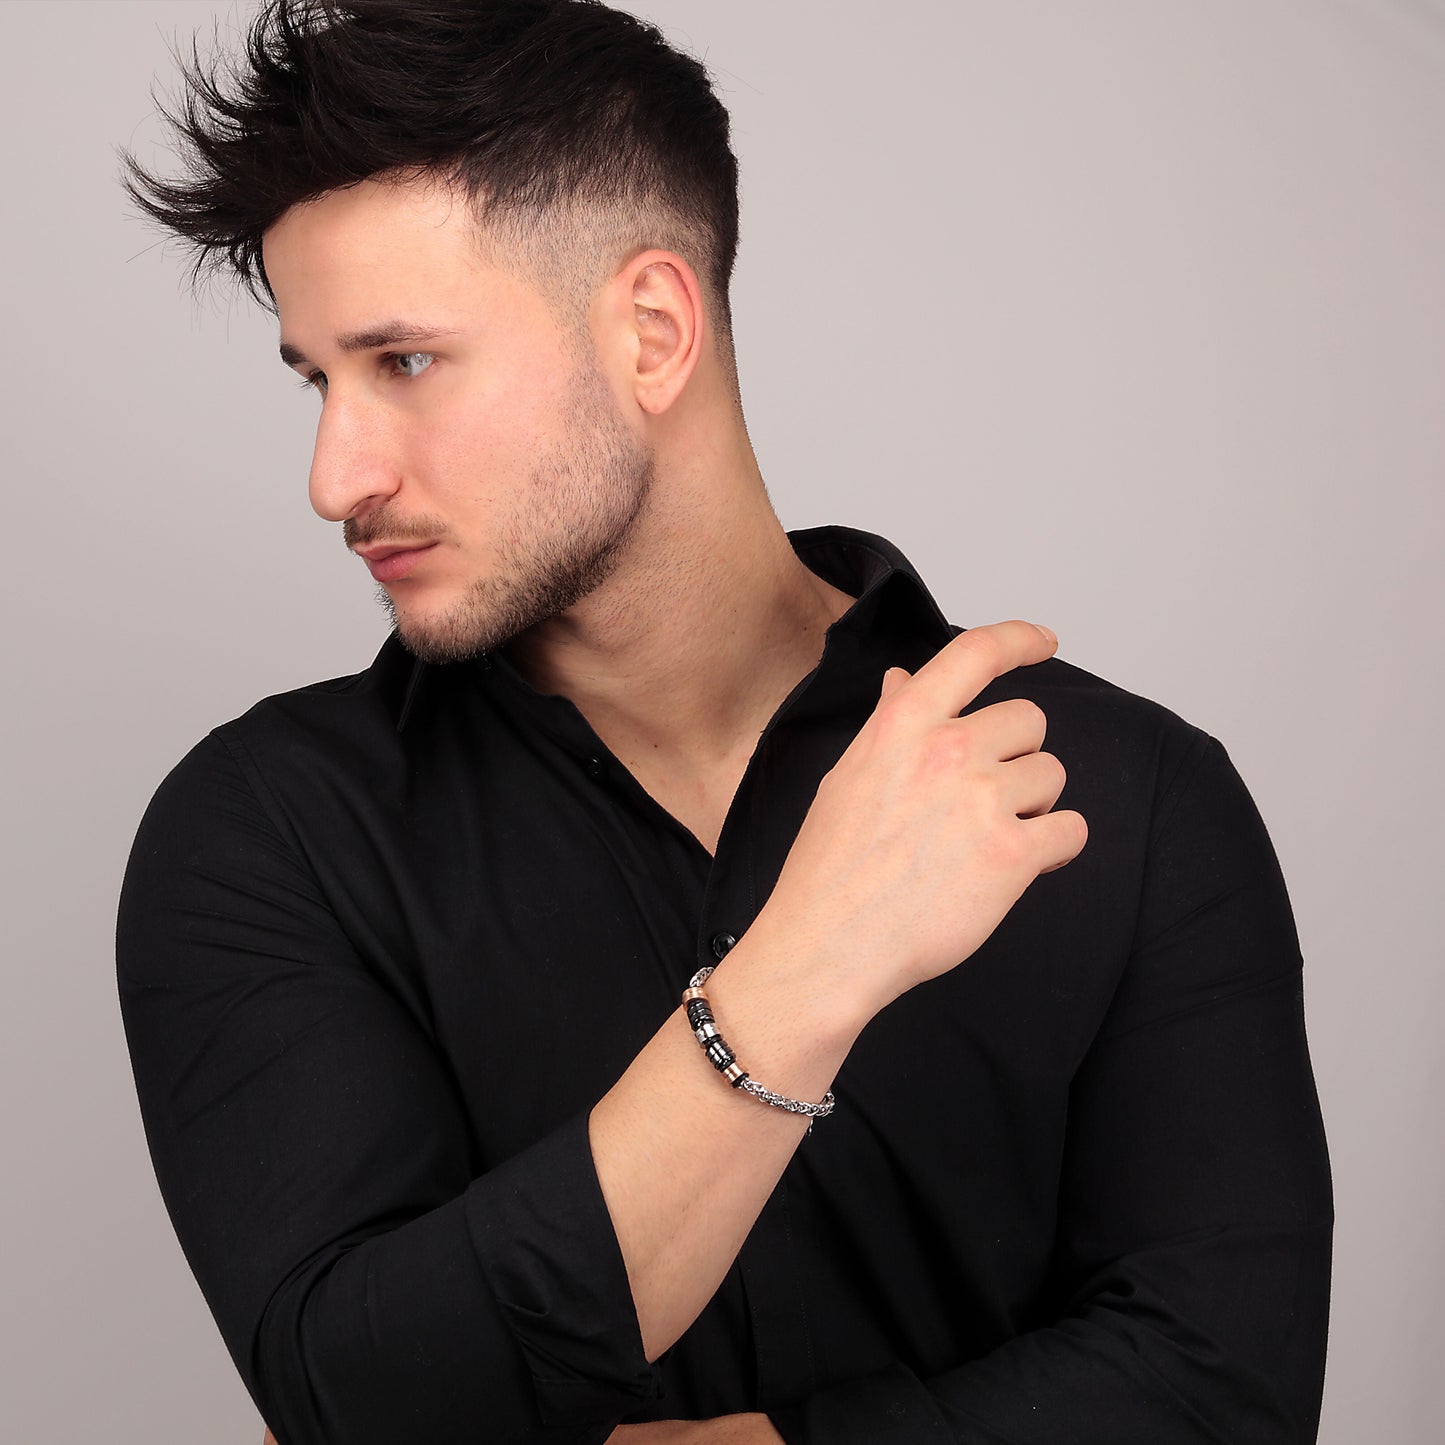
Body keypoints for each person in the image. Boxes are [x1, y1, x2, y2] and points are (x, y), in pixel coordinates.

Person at [114, 2, 1333, 1442]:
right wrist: (802, 976)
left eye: (406, 363)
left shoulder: (1121, 795)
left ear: (652, 331)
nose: (336, 477)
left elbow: (1219, 1393)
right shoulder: (266, 837)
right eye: (319, 379)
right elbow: (360, 1400)